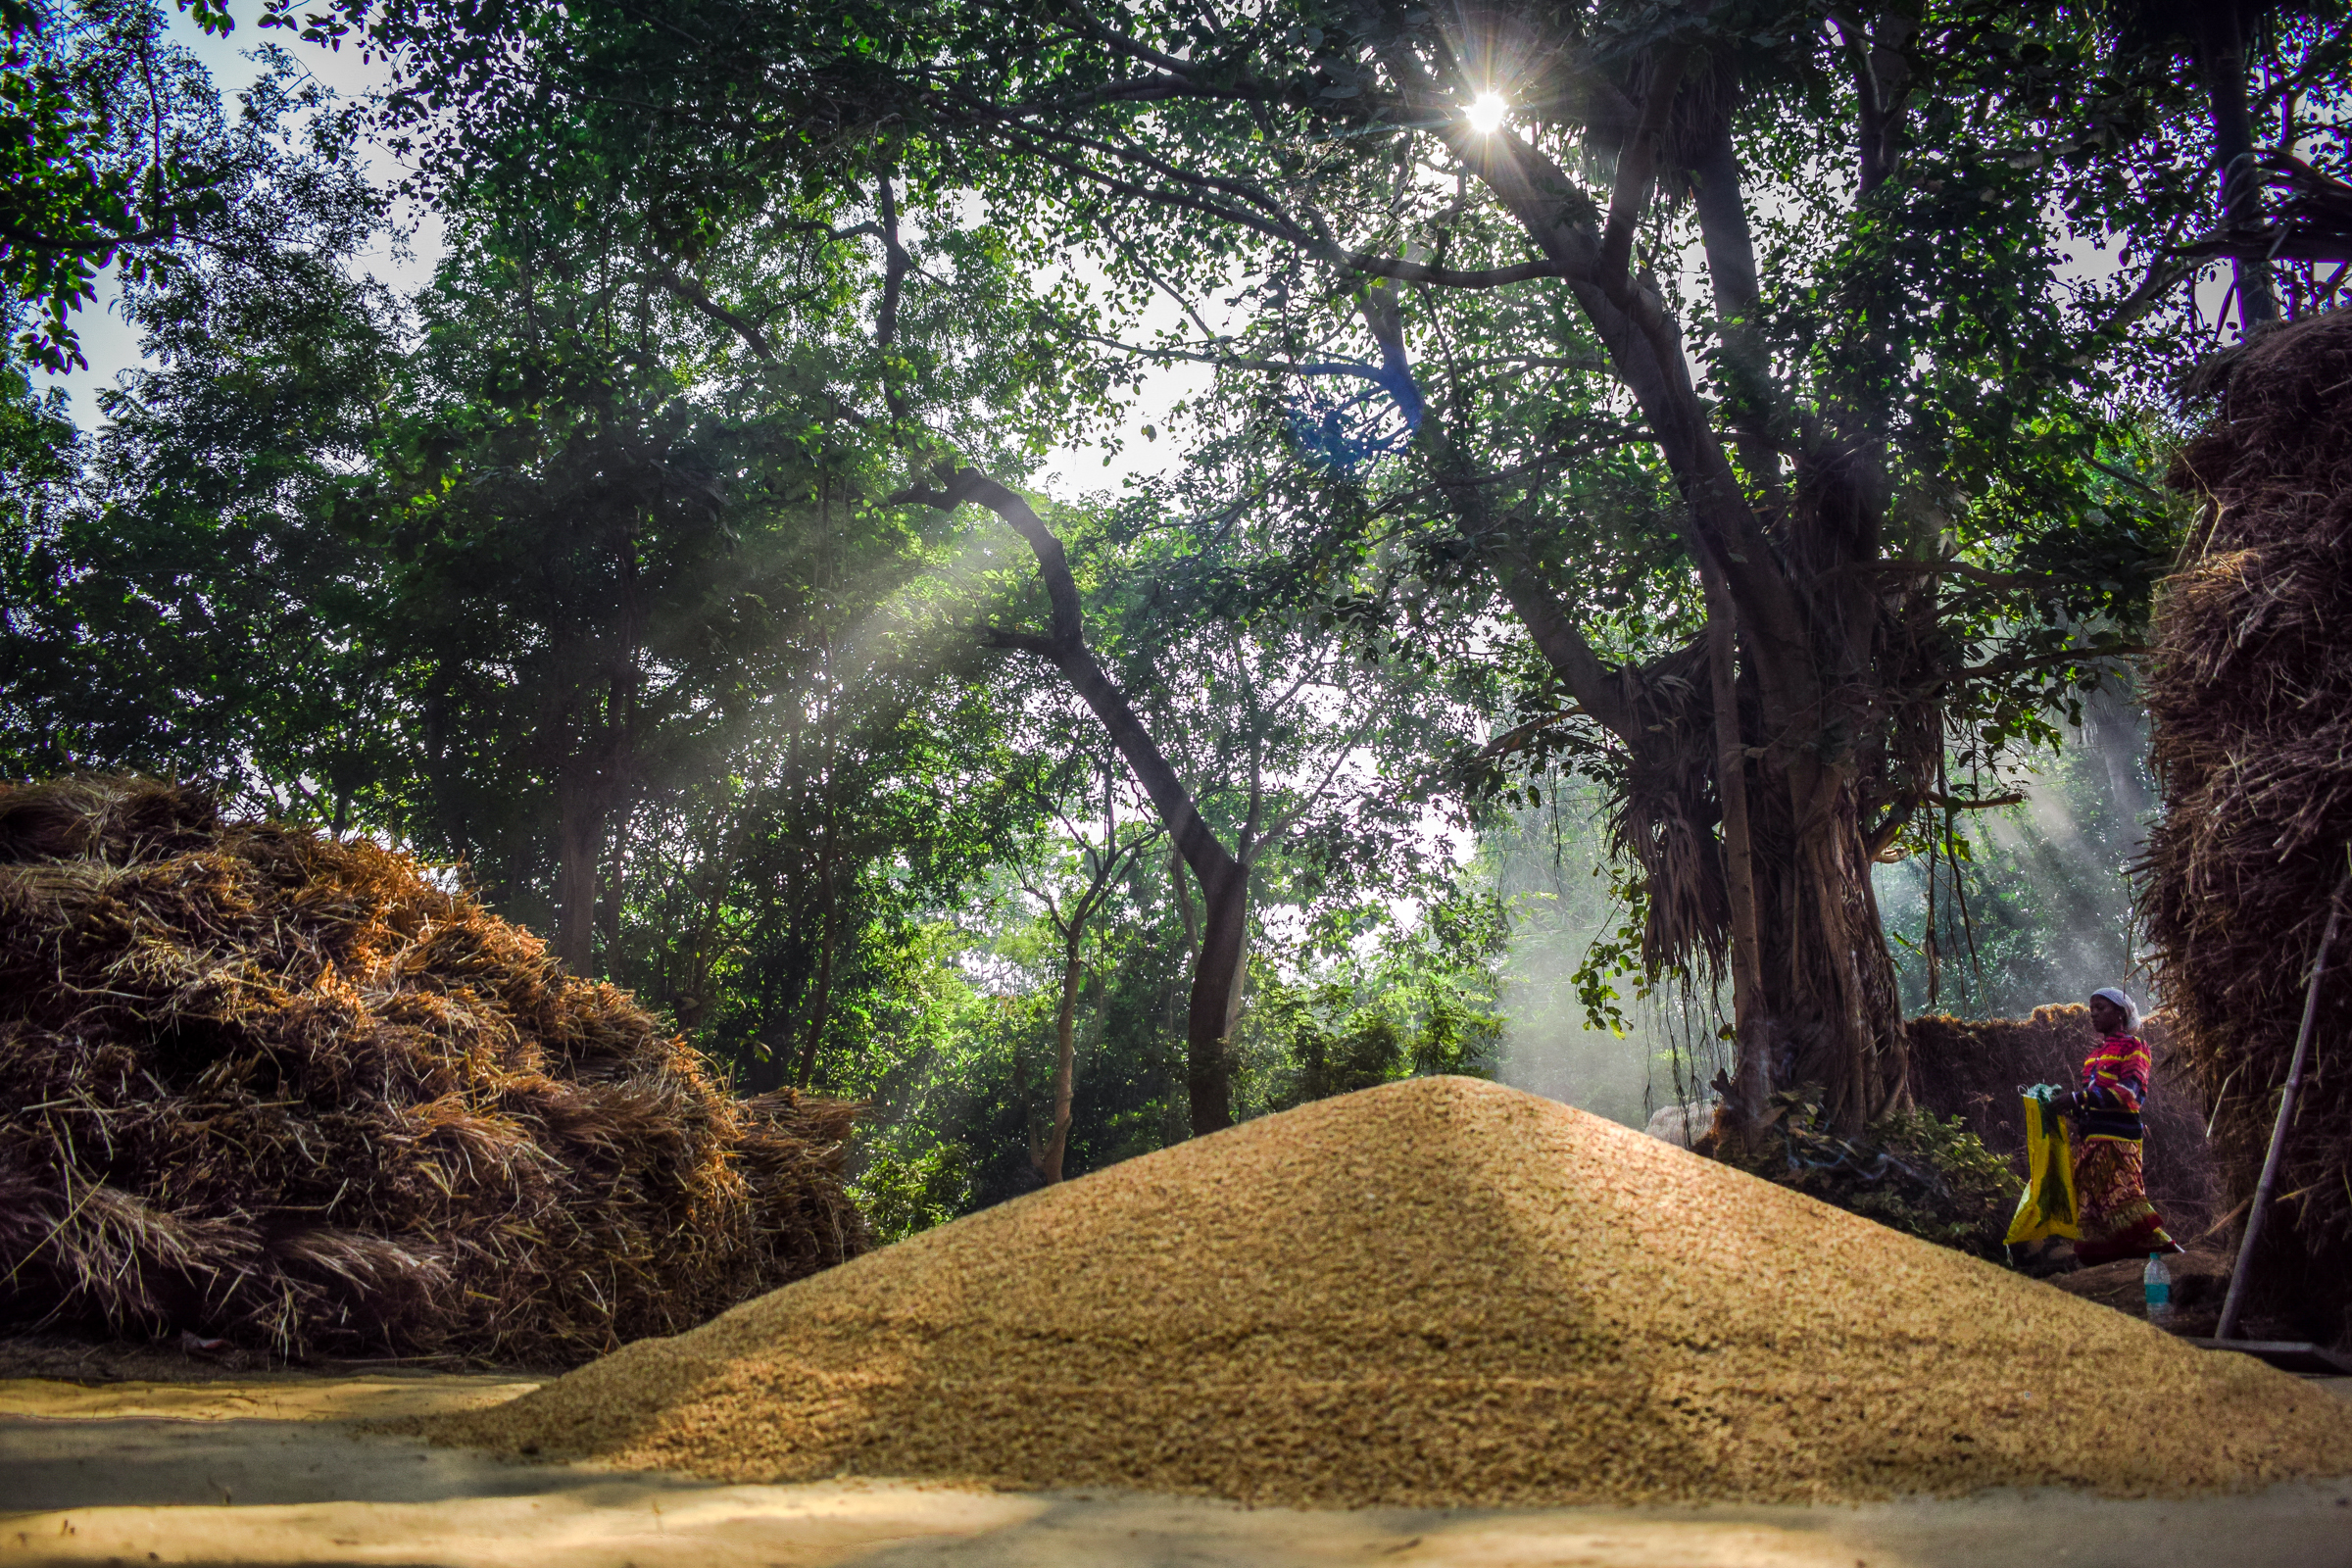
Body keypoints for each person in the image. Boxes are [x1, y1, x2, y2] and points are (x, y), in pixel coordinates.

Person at [2057, 987, 2183, 1266]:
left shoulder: (2134, 1047)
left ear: (2120, 1014)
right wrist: (2068, 1108)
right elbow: (2090, 1099)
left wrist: (2076, 1099)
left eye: (2100, 1008)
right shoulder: (2094, 1055)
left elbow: (2129, 1093)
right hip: (2091, 1140)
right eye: (2091, 1009)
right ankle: (2105, 1263)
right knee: (2094, 1202)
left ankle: (2171, 1257)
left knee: (2123, 1196)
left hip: (2118, 1139)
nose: (2093, 1014)